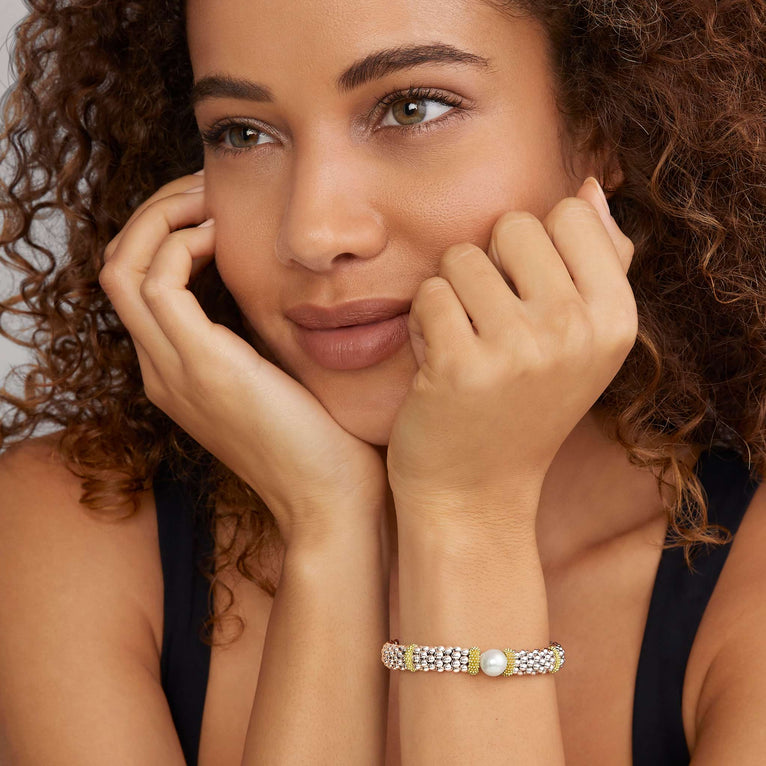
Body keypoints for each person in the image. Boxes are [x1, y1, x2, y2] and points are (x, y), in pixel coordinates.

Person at [0, 0, 764, 763]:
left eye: (412, 107)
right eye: (241, 133)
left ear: (601, 127)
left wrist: (468, 517)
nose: (313, 234)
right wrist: (327, 527)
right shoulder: (74, 533)